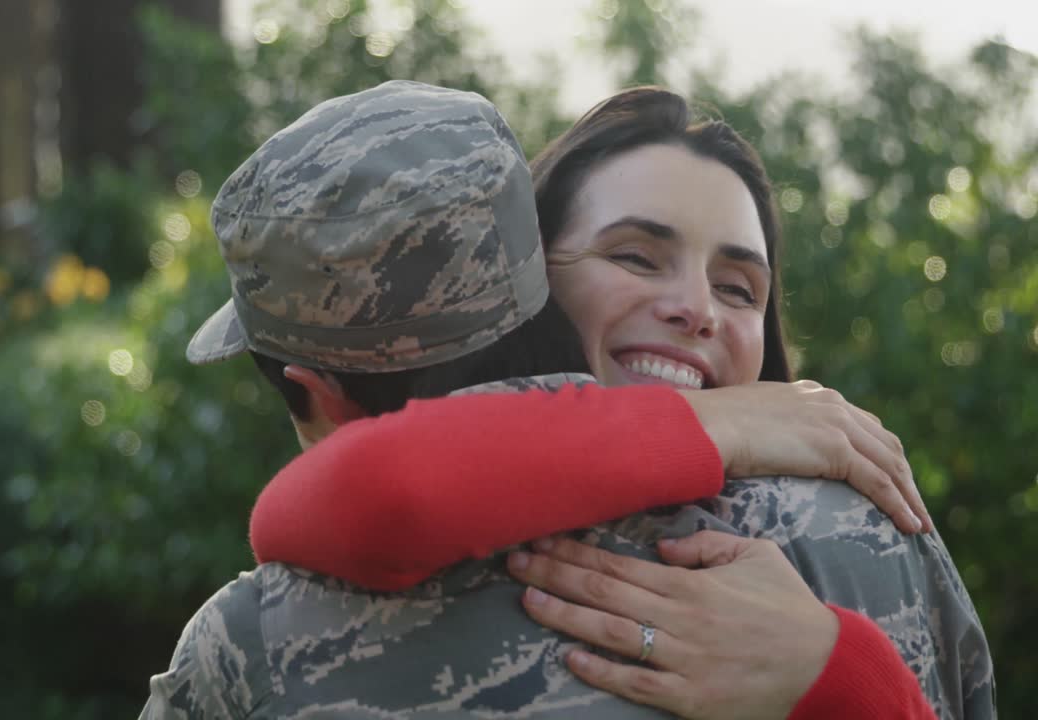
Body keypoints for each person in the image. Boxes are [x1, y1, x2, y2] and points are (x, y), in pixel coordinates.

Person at [140, 81, 939, 719]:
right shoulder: (856, 533)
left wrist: (840, 676)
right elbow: (384, 488)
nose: (698, 309)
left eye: (738, 287)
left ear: (313, 394)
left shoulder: (251, 645)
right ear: (533, 279)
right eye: (636, 257)